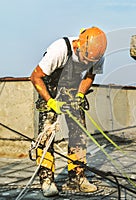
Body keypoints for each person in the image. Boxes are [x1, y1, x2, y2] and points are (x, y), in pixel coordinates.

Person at [30, 27, 107, 197]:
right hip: (49, 86)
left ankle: (77, 176)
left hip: (72, 87)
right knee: (47, 131)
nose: (86, 63)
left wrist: (80, 94)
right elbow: (35, 77)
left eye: (90, 61)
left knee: (79, 132)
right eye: (84, 60)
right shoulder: (59, 50)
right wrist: (51, 101)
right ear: (78, 46)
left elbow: (89, 76)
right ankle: (47, 179)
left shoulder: (97, 54)